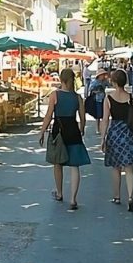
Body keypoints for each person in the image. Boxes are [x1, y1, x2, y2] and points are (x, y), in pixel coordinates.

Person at [39, 68, 90, 210]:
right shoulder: (77, 97)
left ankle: (60, 193)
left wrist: (42, 131)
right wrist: (82, 129)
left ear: (61, 79)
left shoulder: (55, 95)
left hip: (59, 131)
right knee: (75, 166)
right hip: (73, 130)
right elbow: (83, 117)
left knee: (57, 163)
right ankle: (73, 199)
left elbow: (49, 116)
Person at [101, 69, 133, 212]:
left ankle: (116, 196)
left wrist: (103, 138)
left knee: (116, 167)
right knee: (129, 168)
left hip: (115, 133)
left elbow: (105, 120)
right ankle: (131, 197)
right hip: (129, 133)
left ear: (113, 82)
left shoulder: (108, 98)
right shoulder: (132, 98)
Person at [87, 69, 110, 134]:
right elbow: (90, 90)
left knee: (104, 115)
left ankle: (103, 128)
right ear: (99, 75)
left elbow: (110, 85)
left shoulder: (104, 82)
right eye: (102, 75)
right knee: (98, 115)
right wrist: (96, 91)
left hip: (103, 99)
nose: (103, 76)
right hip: (97, 99)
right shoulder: (95, 82)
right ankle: (97, 128)